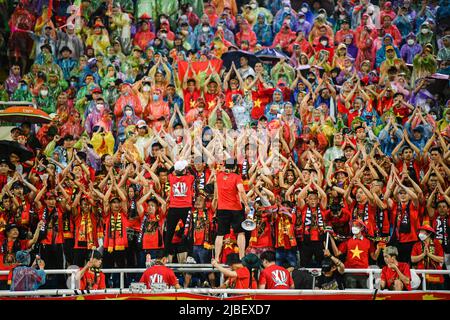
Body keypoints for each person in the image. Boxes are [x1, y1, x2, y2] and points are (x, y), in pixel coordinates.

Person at [214, 158, 250, 260]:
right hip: (236, 208)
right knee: (240, 232)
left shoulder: (218, 175)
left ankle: (217, 258)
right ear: (234, 167)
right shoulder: (236, 177)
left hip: (221, 208)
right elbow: (242, 191)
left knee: (220, 234)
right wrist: (246, 205)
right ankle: (242, 256)